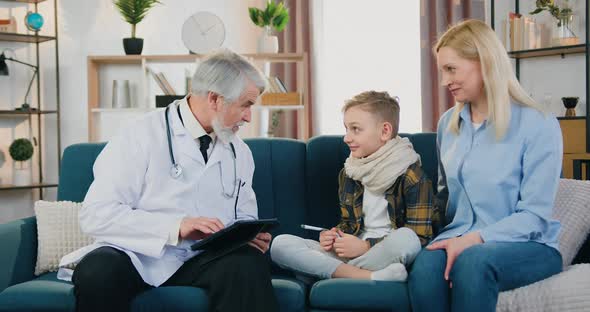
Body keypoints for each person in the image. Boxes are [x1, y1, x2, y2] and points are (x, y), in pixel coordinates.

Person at [57, 50, 279, 312]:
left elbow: (243, 215)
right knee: (97, 270)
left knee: (247, 263)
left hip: (203, 258)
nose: (248, 117)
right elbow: (96, 214)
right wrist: (176, 227)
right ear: (215, 99)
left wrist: (246, 236)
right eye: (246, 105)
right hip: (138, 255)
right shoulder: (139, 134)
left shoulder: (238, 151)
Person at [408, 19, 563, 312]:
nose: (444, 81)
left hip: (528, 245)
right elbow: (445, 200)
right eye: (442, 71)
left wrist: (476, 238)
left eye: (451, 69)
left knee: (473, 261)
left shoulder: (539, 124)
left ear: (484, 61)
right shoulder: (448, 125)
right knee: (426, 268)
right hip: (458, 235)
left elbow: (535, 215)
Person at [271, 91, 434, 282]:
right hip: (354, 255)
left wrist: (366, 247)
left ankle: (326, 272)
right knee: (281, 244)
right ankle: (367, 276)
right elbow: (349, 224)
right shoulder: (350, 172)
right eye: (346, 129)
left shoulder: (412, 176)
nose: (346, 138)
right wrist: (334, 236)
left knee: (408, 238)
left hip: (383, 253)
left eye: (355, 129)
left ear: (385, 131)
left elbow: (421, 237)